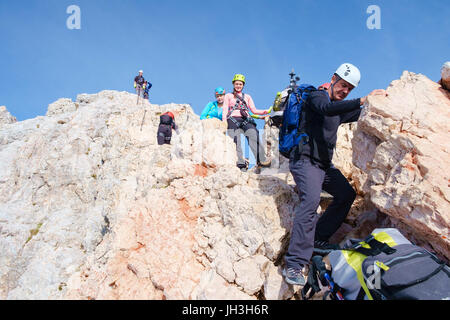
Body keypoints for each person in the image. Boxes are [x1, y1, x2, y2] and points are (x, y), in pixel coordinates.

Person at [283, 63, 388, 286]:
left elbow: (361, 113)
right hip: (304, 161)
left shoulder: (339, 108)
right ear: (333, 79)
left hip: (324, 166)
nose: (345, 91)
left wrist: (383, 101)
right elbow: (327, 109)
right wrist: (361, 99)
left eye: (349, 89)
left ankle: (318, 239)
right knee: (310, 202)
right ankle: (294, 264)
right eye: (342, 85)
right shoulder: (316, 97)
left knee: (346, 195)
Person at [222, 74, 271, 171]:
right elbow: (225, 109)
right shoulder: (228, 96)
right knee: (235, 140)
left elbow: (254, 110)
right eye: (236, 84)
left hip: (246, 119)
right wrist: (224, 122)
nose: (238, 86)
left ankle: (261, 160)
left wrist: (266, 111)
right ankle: (240, 164)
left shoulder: (247, 97)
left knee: (254, 134)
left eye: (240, 84)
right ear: (233, 84)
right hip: (232, 119)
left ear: (243, 85)